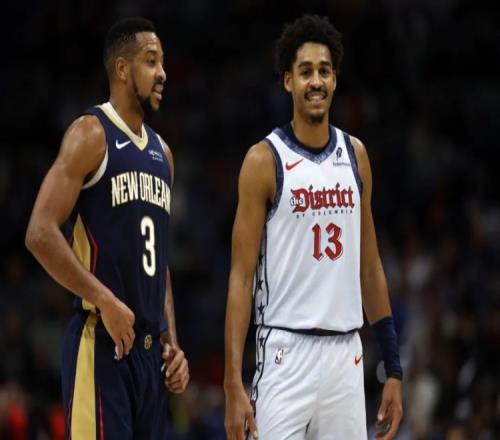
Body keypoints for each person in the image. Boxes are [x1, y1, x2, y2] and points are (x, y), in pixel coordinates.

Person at [224, 14, 403, 440]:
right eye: (305, 72)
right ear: (288, 81)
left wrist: (393, 367)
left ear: (335, 80)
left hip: (346, 355)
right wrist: (232, 380)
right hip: (284, 353)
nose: (316, 81)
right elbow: (241, 277)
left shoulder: (356, 156)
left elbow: (370, 268)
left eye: (324, 71)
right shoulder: (263, 160)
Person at [25, 17, 189, 439]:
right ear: (122, 69)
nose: (162, 73)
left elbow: (158, 262)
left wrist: (171, 339)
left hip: (149, 359)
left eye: (163, 62)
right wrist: (104, 299)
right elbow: (40, 232)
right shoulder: (90, 134)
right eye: (151, 61)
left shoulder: (164, 154)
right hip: (100, 343)